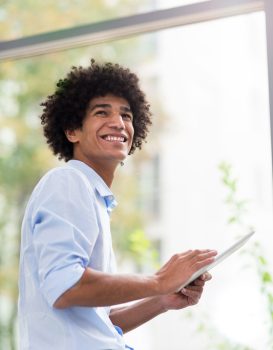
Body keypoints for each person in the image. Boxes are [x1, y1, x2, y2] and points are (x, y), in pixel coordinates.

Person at [18, 59, 217, 350]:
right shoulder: (69, 182)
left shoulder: (92, 196)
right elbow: (65, 286)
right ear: (72, 130)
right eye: (102, 112)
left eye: (126, 115)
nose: (119, 123)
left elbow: (96, 323)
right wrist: (159, 281)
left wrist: (161, 300)